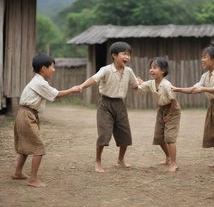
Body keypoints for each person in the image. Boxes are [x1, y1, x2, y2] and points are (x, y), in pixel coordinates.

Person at [12, 54, 81, 188]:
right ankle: (32, 179)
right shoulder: (40, 83)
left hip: (26, 114)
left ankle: (18, 173)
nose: (54, 70)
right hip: (27, 115)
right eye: (52, 67)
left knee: (26, 146)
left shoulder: (38, 81)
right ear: (44, 68)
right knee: (38, 147)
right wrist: (72, 90)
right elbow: (56, 94)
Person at [78, 42, 138, 173]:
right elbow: (94, 79)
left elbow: (135, 85)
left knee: (125, 134)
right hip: (105, 105)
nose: (127, 57)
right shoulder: (106, 70)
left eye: (128, 54)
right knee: (104, 134)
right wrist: (82, 86)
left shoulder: (129, 71)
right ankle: (98, 162)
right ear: (114, 55)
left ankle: (120, 160)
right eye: (124, 54)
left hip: (120, 105)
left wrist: (145, 84)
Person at [137, 57, 181, 172]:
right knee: (159, 137)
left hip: (172, 110)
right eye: (150, 67)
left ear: (163, 70)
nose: (151, 70)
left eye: (155, 68)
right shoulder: (151, 83)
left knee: (169, 138)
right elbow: (140, 87)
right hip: (161, 109)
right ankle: (168, 157)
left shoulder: (167, 85)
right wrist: (137, 81)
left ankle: (173, 163)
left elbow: (174, 101)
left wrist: (169, 114)